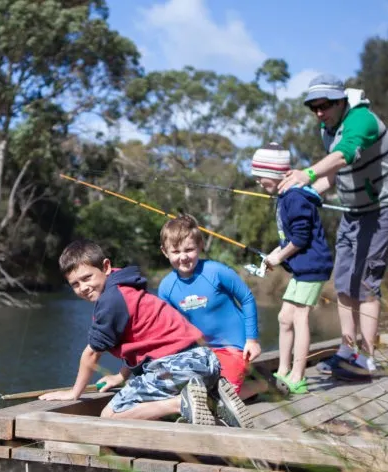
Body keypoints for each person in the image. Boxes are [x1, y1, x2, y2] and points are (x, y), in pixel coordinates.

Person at [278, 74, 388, 379]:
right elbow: (332, 176)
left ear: (341, 102)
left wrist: (306, 174)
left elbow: (343, 154)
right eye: (313, 107)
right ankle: (347, 350)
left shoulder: (360, 119)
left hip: (386, 207)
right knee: (343, 280)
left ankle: (366, 358)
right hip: (354, 209)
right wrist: (300, 194)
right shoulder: (328, 128)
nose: (319, 113)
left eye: (324, 105)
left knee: (366, 281)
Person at [40, 239, 250, 427]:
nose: (83, 288)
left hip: (175, 368)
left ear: (106, 266)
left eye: (87, 278)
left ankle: (180, 403)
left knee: (110, 416)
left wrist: (73, 393)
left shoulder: (111, 301)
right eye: (75, 284)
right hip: (204, 361)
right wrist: (120, 376)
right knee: (146, 400)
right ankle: (214, 399)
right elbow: (143, 344)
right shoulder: (125, 288)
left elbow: (91, 354)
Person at [157, 215, 267, 400]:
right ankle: (243, 380)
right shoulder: (166, 287)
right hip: (200, 351)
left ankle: (262, 384)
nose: (183, 257)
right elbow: (169, 327)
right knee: (184, 391)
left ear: (200, 245)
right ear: (165, 252)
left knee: (221, 398)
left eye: (189, 249)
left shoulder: (216, 271)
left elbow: (247, 299)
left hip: (234, 344)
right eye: (175, 251)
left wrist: (252, 340)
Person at [253, 143, 334, 393]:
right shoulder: (285, 197)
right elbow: (290, 241)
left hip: (312, 267)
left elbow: (299, 238)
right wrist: (271, 258)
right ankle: (283, 369)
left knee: (299, 318)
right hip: (302, 269)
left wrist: (280, 257)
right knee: (283, 317)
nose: (257, 181)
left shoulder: (295, 197)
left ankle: (297, 376)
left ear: (276, 173)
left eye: (260, 175)